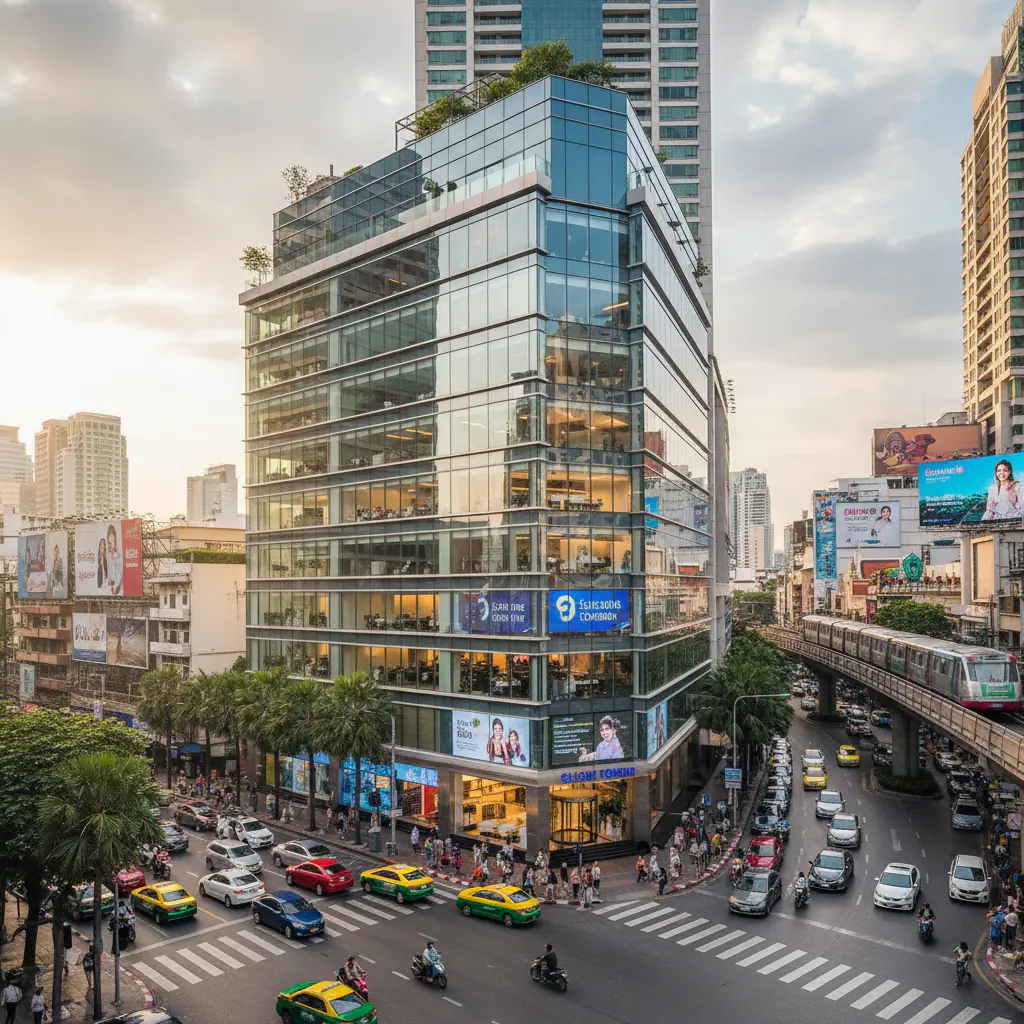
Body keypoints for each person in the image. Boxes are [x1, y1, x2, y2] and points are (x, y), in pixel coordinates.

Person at [106, 523, 123, 595]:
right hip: (111, 584)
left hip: (119, 583)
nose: (111, 542)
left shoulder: (119, 553)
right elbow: (108, 570)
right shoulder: (108, 555)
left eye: (113, 539)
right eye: (110, 541)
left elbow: (121, 569)